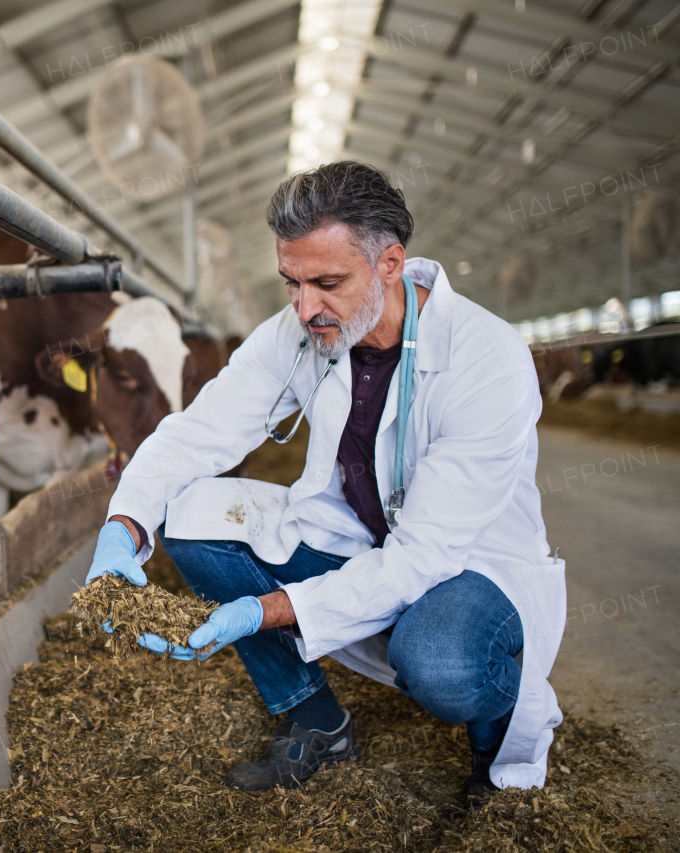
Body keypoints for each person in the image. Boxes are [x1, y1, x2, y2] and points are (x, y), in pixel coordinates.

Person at [86, 161, 565, 802]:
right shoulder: (302, 330)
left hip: (469, 565)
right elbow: (198, 432)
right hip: (359, 533)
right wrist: (125, 525)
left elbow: (424, 556)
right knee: (192, 511)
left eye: (327, 282)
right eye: (291, 282)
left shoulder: (486, 359)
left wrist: (261, 612)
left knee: (441, 660)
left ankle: (496, 726)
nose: (305, 306)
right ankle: (315, 718)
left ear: (390, 263)